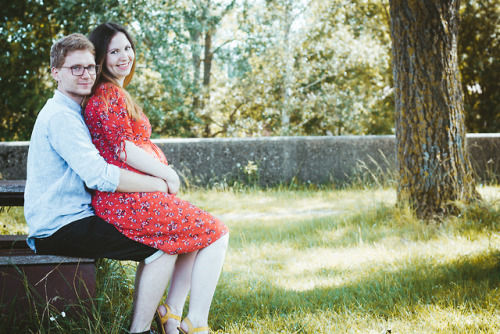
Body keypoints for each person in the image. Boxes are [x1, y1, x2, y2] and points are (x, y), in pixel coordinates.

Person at [83, 23, 228, 334]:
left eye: (127, 48)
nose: (124, 56)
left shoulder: (114, 92)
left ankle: (171, 315)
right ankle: (195, 322)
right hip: (125, 199)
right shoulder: (107, 94)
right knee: (216, 234)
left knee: (193, 238)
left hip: (136, 195)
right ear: (101, 58)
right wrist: (168, 174)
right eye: (114, 51)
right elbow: (123, 149)